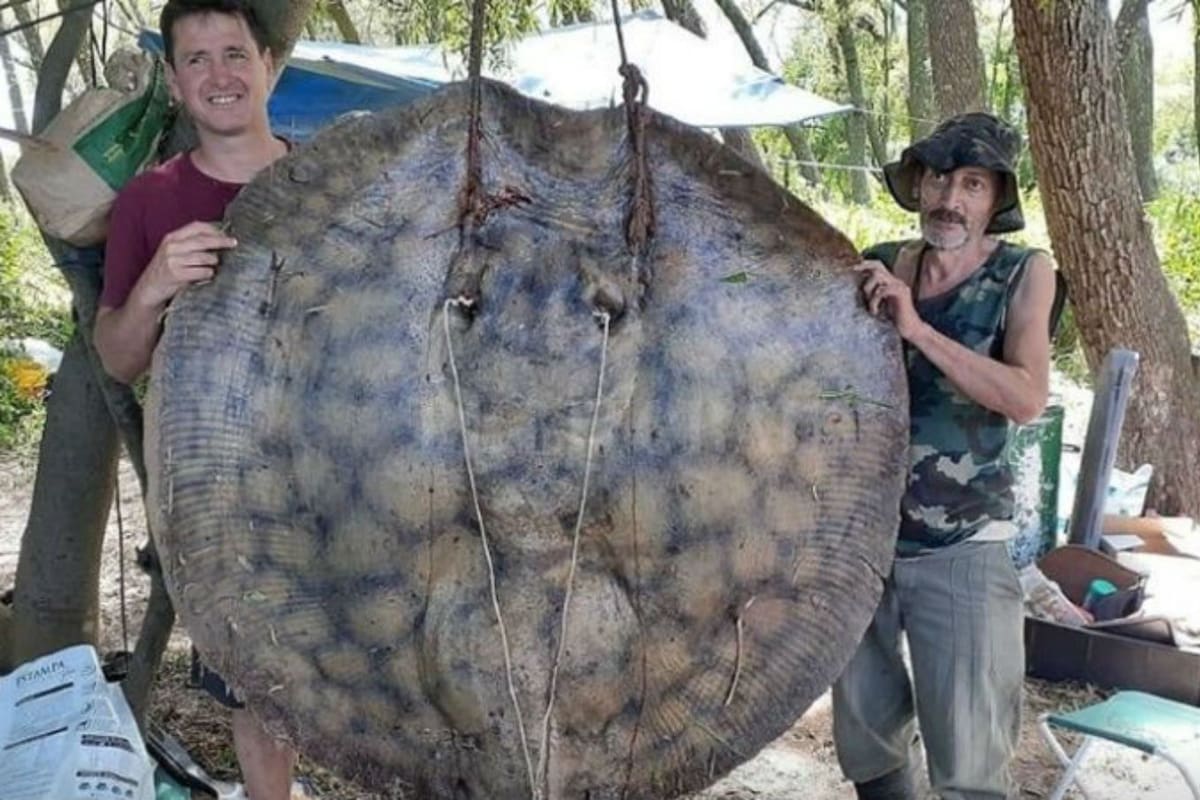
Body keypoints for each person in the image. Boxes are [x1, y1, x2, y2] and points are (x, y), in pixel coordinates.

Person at [94, 1, 295, 797]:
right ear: (175, 82)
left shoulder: (333, 181)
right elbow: (117, 360)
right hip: (220, 495)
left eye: (235, 54)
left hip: (348, 475)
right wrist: (156, 282)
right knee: (253, 684)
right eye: (197, 59)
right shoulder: (150, 200)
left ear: (269, 65)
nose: (220, 75)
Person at [833, 112, 1058, 800]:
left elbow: (1026, 398)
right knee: (867, 741)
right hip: (863, 545)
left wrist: (918, 330)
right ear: (918, 185)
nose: (950, 199)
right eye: (938, 179)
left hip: (962, 548)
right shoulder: (880, 262)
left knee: (968, 762)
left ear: (997, 199)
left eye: (972, 184)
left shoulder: (1024, 273)